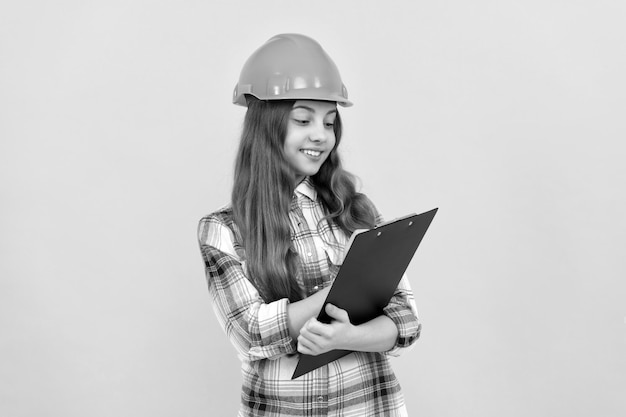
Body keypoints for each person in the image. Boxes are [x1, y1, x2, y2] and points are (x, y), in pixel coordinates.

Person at [197, 33, 421, 416]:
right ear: (266, 126)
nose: (322, 135)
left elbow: (405, 319)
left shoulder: (356, 212)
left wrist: (352, 336)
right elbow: (250, 331)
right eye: (303, 119)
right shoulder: (223, 229)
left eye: (330, 122)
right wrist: (342, 291)